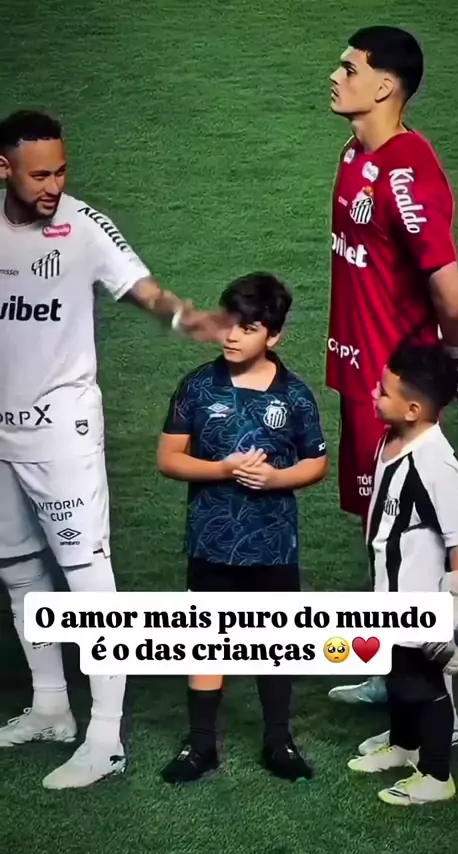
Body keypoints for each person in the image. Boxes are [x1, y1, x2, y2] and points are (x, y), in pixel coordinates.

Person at [0, 109, 229, 790]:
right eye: (40, 174)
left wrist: (188, 318)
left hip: (61, 433)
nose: (54, 185)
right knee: (17, 568)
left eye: (61, 171)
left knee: (88, 579)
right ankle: (50, 708)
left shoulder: (83, 226)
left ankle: (105, 739)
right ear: (4, 169)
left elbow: (142, 289)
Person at [325, 25, 458, 711]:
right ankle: (392, 670)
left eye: (349, 68)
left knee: (413, 543)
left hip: (396, 387)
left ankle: (432, 701)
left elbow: (453, 297)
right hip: (359, 376)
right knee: (380, 533)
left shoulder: (405, 173)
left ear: (385, 85)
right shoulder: (355, 151)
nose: (336, 76)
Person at [157, 272, 329, 784]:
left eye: (247, 328)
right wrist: (222, 469)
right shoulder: (196, 386)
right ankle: (201, 745)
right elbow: (169, 458)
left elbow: (316, 462)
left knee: (275, 639)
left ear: (273, 336)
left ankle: (279, 741)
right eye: (228, 323)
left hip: (273, 543)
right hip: (211, 540)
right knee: (205, 639)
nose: (231, 336)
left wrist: (275, 478)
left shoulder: (295, 396)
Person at [347, 341, 458, 805]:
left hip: (419, 601)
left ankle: (437, 775)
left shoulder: (435, 462)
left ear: (414, 408)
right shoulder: (394, 438)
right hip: (389, 593)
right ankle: (404, 746)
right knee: (396, 673)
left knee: (423, 685)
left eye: (384, 391)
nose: (374, 393)